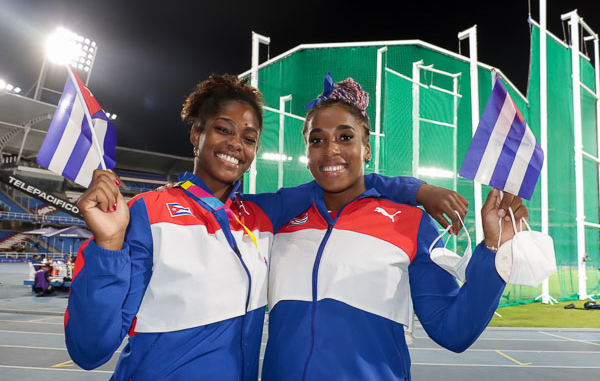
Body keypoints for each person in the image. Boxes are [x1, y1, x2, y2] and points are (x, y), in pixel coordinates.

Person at [65, 74, 473, 380]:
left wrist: (418, 190)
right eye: (223, 129)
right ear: (196, 134)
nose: (235, 144)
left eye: (249, 136)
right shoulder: (145, 213)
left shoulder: (262, 214)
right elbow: (89, 350)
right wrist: (109, 243)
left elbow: (342, 176)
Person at [259, 75, 527, 381]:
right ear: (307, 153)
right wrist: (416, 188)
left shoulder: (410, 223)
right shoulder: (280, 219)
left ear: (367, 149)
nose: (330, 150)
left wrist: (493, 248)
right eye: (316, 140)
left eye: (345, 137)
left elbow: (453, 331)